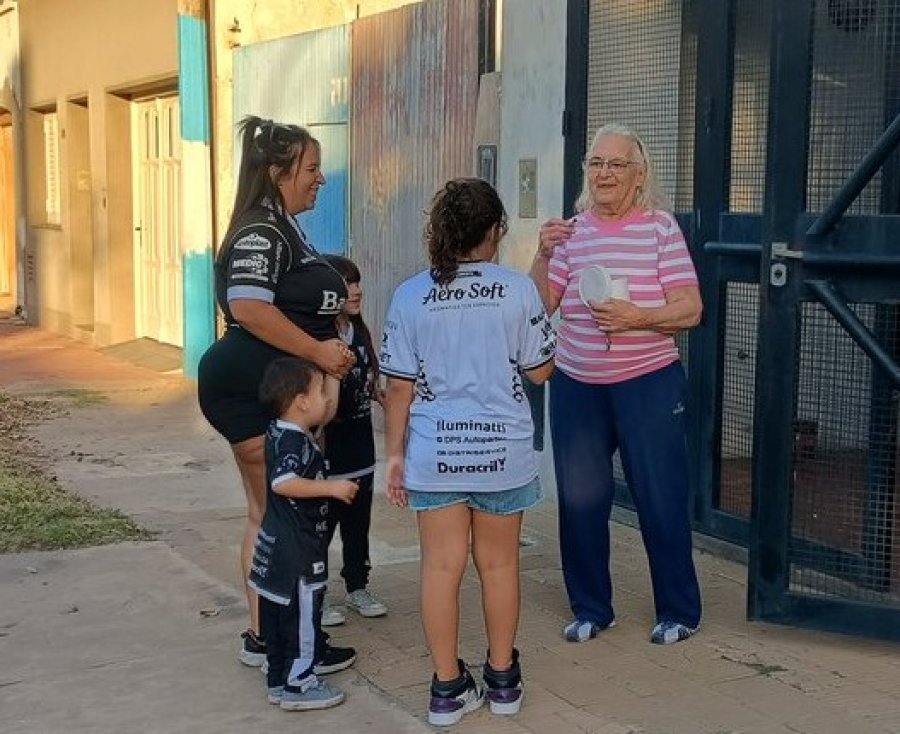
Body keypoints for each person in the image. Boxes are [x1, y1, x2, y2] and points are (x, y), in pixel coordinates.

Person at [382, 178, 555, 726]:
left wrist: (394, 457)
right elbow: (541, 370)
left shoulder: (410, 295)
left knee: (440, 567)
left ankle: (446, 689)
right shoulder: (517, 290)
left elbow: (399, 388)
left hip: (435, 455)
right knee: (499, 564)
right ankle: (503, 681)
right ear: (495, 231)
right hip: (503, 453)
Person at [529, 123, 703, 646]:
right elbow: (541, 306)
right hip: (578, 386)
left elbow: (690, 309)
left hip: (648, 383)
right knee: (581, 503)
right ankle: (590, 608)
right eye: (595, 163)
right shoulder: (572, 232)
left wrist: (635, 318)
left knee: (660, 498)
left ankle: (679, 611)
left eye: (615, 164)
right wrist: (541, 253)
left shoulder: (660, 229)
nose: (604, 174)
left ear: (638, 173)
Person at [197, 116, 356, 667]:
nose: (321, 179)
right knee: (278, 516)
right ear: (277, 172)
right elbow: (248, 306)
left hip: (271, 389)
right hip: (248, 389)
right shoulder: (260, 231)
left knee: (268, 512)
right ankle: (277, 643)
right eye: (312, 169)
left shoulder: (282, 225)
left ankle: (268, 636)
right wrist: (317, 353)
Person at [248, 357, 358, 710]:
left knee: (279, 617)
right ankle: (300, 683)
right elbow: (284, 483)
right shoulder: (295, 442)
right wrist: (333, 489)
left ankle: (278, 678)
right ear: (301, 401)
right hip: (298, 549)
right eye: (321, 392)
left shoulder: (279, 431)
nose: (327, 400)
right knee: (304, 617)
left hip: (276, 547)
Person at [319, 254, 388, 626]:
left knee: (357, 522)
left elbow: (371, 383)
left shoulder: (359, 331)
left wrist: (385, 397)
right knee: (323, 524)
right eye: (348, 284)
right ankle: (318, 592)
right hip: (329, 447)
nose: (357, 290)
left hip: (361, 444)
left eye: (358, 282)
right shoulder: (318, 337)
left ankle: (357, 585)